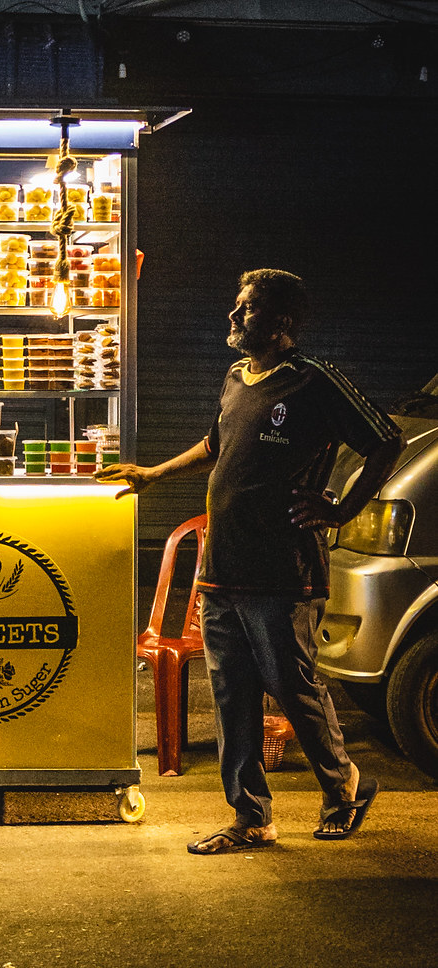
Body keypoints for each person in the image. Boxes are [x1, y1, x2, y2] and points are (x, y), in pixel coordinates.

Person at [96, 269, 404, 854]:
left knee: (293, 687)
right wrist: (154, 473)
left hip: (281, 569)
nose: (234, 318)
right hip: (221, 566)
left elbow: (384, 440)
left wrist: (340, 509)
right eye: (237, 307)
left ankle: (345, 789)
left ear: (282, 321)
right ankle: (250, 817)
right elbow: (217, 443)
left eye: (248, 309)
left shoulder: (314, 381)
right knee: (232, 693)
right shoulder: (237, 377)